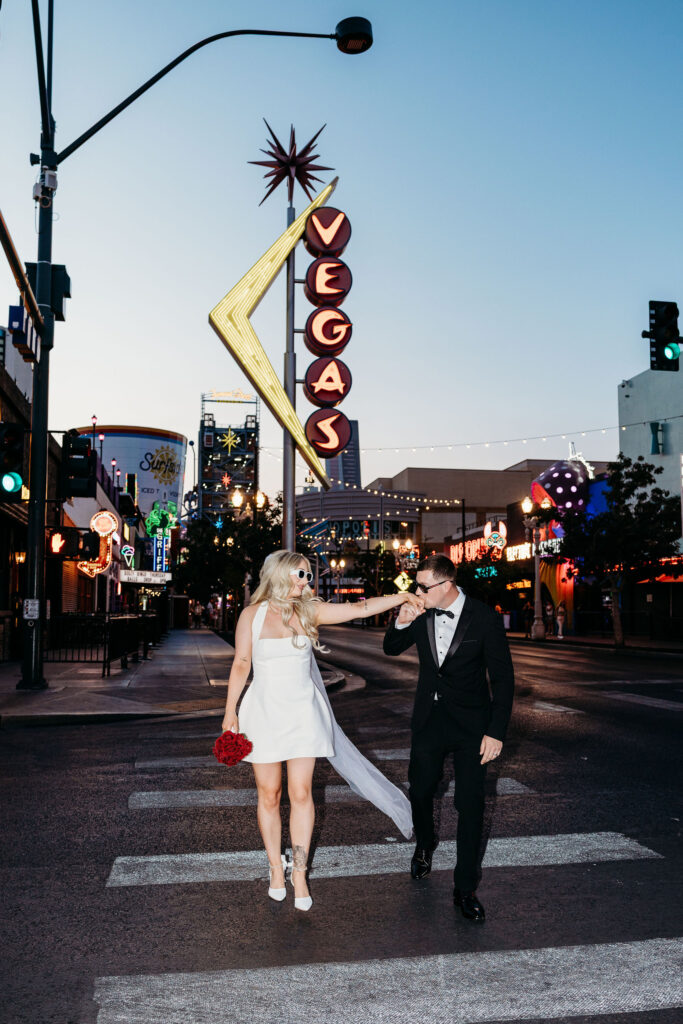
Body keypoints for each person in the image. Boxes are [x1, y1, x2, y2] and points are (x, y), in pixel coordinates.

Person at [221, 550, 421, 912]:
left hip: (302, 715)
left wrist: (402, 597)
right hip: (262, 714)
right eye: (300, 575)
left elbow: (360, 608)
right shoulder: (251, 615)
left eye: (308, 576)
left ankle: (299, 872)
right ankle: (274, 870)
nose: (306, 582)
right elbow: (241, 664)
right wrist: (229, 712)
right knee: (269, 794)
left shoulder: (309, 611)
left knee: (301, 793)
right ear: (281, 574)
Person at [383, 554, 514, 922]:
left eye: (423, 587)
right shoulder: (421, 611)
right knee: (421, 790)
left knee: (470, 804)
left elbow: (503, 680)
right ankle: (426, 841)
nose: (417, 592)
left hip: (473, 726)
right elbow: (391, 648)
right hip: (430, 720)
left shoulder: (485, 618)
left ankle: (465, 888)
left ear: (445, 585)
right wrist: (401, 620)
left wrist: (495, 732)